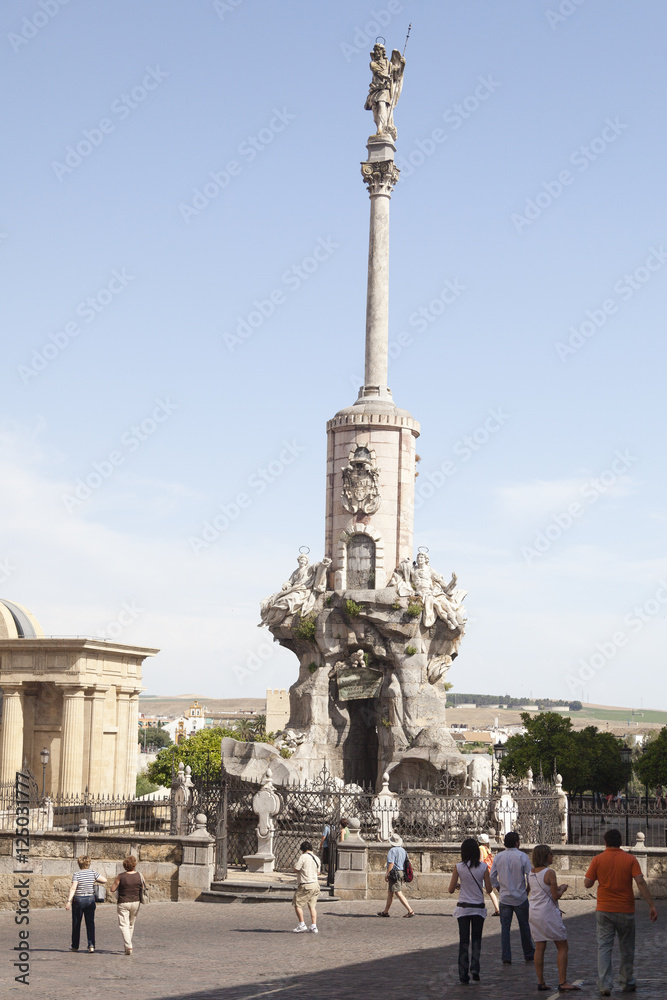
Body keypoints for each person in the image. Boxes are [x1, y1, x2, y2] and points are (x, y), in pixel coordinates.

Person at [584, 827, 658, 996]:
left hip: (604, 909)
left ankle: (604, 984)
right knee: (627, 948)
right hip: (625, 909)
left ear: (605, 842)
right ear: (620, 842)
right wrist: (651, 905)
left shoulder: (597, 860)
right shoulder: (630, 859)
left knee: (604, 948)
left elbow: (587, 884)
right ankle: (627, 982)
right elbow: (640, 882)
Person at [528, 844, 580, 992]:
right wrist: (562, 888)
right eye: (551, 854)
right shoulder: (549, 873)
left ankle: (541, 981)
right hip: (548, 913)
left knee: (539, 947)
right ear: (545, 856)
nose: (553, 856)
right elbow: (555, 896)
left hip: (534, 913)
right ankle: (563, 982)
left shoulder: (531, 873)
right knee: (562, 946)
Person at [448, 838, 494, 983]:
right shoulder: (482, 867)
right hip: (478, 908)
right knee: (476, 940)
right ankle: (475, 968)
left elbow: (450, 889)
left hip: (463, 908)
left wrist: (459, 885)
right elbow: (489, 889)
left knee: (463, 942)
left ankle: (463, 973)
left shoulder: (459, 867)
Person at [490, 831, 535, 965]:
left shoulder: (499, 857)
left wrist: (498, 888)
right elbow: (530, 875)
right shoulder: (522, 856)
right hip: (520, 896)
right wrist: (527, 890)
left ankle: (506, 956)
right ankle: (528, 953)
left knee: (505, 929)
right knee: (524, 927)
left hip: (504, 898)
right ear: (517, 843)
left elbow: (492, 876)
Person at [65, 855, 107, 953]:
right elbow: (104, 880)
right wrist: (94, 880)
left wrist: (68, 901)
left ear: (79, 864)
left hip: (78, 899)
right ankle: (91, 945)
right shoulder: (93, 873)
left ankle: (75, 946)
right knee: (90, 923)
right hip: (90, 899)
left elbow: (73, 888)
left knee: (76, 923)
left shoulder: (77, 874)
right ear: (88, 863)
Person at [109, 856, 143, 955]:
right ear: (134, 865)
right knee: (131, 924)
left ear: (125, 866)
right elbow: (144, 887)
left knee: (124, 925)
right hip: (136, 902)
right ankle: (127, 945)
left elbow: (112, 889)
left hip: (123, 902)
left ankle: (128, 945)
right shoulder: (139, 875)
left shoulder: (120, 876)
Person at [377, 842, 415, 918]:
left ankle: (410, 910)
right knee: (390, 893)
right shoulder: (403, 850)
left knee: (398, 892)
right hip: (401, 872)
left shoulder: (392, 850)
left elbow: (391, 863)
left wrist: (387, 874)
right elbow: (406, 862)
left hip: (394, 873)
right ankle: (385, 912)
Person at [292, 840, 321, 933]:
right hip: (315, 885)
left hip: (306, 884)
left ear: (303, 850)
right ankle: (314, 926)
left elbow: (296, 869)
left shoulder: (303, 857)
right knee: (312, 906)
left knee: (297, 904)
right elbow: (318, 872)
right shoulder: (317, 858)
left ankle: (302, 924)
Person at [477, 834, 500, 916]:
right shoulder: (488, 848)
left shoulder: (480, 848)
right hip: (489, 870)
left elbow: (481, 860)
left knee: (479, 890)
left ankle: (478, 909)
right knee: (490, 891)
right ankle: (497, 908)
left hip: (483, 871)